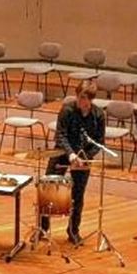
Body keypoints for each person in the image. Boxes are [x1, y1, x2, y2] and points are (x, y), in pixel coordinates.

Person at [42, 81, 105, 244]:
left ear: (91, 99)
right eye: (79, 97)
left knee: (78, 195)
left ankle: (73, 231)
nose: (81, 101)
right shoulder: (67, 110)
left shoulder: (98, 115)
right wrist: (70, 155)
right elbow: (61, 135)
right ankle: (42, 228)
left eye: (84, 98)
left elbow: (99, 141)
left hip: (83, 157)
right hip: (62, 152)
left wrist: (85, 157)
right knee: (48, 188)